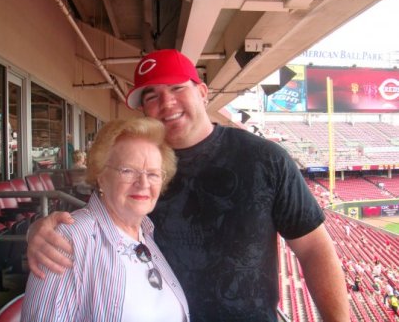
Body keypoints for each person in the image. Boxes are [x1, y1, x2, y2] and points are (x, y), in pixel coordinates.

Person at [26, 49, 349, 321]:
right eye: (152, 95)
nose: (166, 103)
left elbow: (314, 248)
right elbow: (103, 226)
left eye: (177, 88)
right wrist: (40, 231)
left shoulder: (265, 158)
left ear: (203, 91)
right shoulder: (143, 166)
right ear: (143, 110)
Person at [21, 117, 189, 321]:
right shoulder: (69, 240)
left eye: (153, 174)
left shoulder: (145, 232)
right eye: (128, 170)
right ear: (101, 175)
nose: (143, 183)